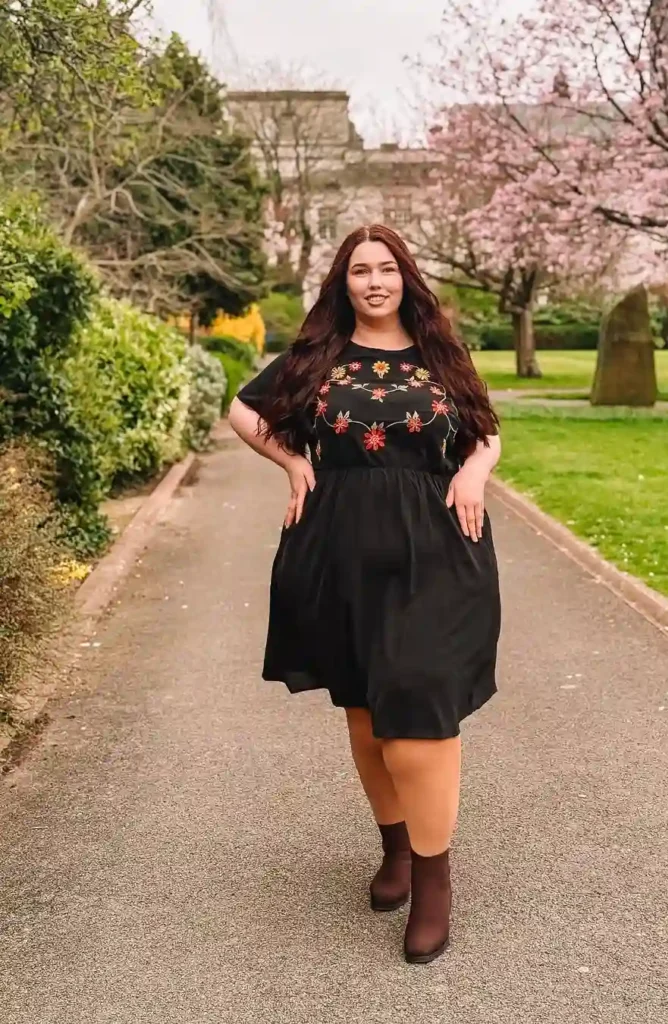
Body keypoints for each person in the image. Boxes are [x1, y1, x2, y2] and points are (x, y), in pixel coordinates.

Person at [229, 224, 501, 965]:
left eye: (386, 269)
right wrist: (290, 462)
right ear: (342, 283)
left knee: (417, 705)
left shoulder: (442, 355)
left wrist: (474, 472)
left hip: (439, 552)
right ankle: (396, 852)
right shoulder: (317, 357)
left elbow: (484, 431)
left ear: (406, 277)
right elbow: (242, 412)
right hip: (338, 552)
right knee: (364, 710)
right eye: (359, 271)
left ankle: (435, 880)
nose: (374, 281)